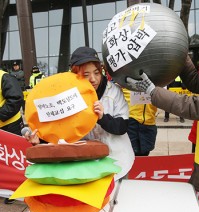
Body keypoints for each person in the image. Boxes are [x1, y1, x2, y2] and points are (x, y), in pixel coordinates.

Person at [25, 46, 135, 181]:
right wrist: (40, 141)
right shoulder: (65, 96)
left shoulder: (113, 92)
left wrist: (102, 118)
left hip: (118, 161)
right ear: (74, 75)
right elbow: (59, 132)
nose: (93, 79)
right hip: (86, 167)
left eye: (97, 73)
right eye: (86, 75)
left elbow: (122, 127)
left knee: (118, 200)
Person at [125, 54, 199, 192]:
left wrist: (153, 92)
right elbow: (195, 81)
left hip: (148, 122)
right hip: (132, 123)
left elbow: (192, 106)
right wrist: (181, 52)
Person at [0, 68, 25, 204]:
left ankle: (14, 190)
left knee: (13, 160)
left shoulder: (5, 77)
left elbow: (16, 99)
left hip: (10, 125)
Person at [123, 88, 157, 156]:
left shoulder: (156, 82)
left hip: (149, 122)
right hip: (131, 121)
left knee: (145, 153)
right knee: (130, 155)